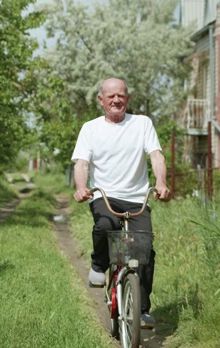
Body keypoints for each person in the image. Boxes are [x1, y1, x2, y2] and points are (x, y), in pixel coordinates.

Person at [71, 78, 171, 329]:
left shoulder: (142, 123)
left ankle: (143, 309)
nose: (116, 100)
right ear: (101, 100)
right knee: (105, 225)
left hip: (137, 197)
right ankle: (98, 263)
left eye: (121, 95)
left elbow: (156, 155)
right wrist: (81, 187)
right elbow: (81, 163)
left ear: (128, 98)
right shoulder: (90, 128)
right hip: (104, 194)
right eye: (111, 96)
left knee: (144, 250)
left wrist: (161, 182)